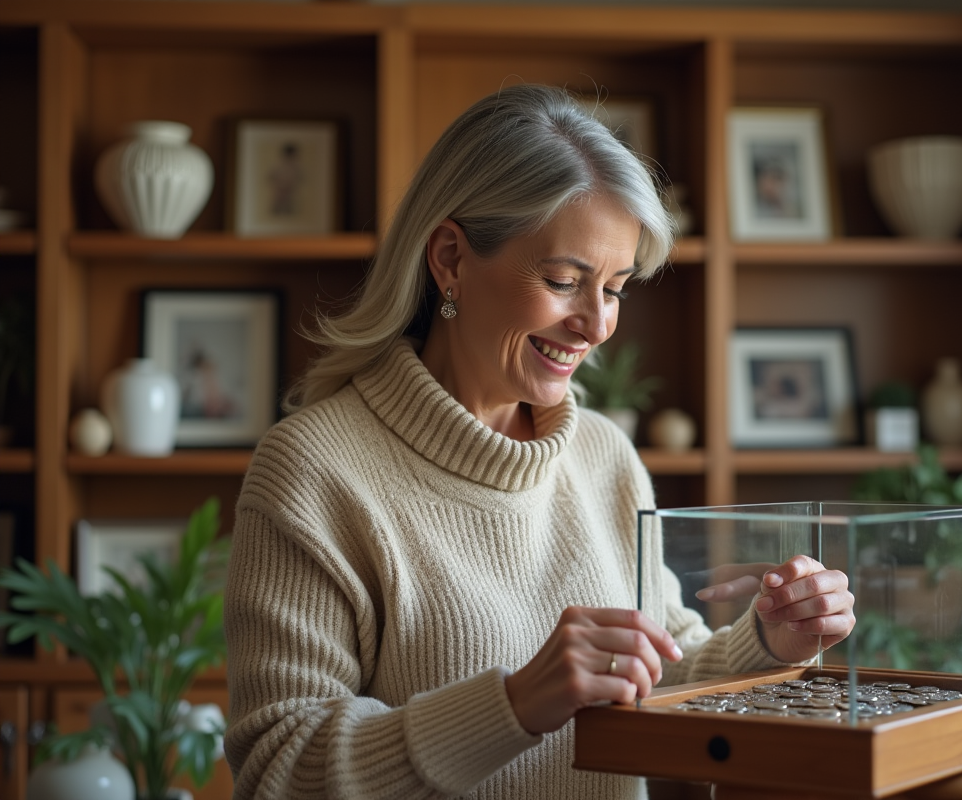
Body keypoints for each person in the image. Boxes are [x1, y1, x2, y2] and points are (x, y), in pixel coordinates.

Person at [224, 84, 855, 800]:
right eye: (564, 281)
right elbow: (278, 768)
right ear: (451, 260)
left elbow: (663, 671)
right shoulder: (312, 470)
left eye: (615, 289)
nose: (596, 325)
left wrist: (770, 641)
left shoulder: (604, 454)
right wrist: (516, 705)